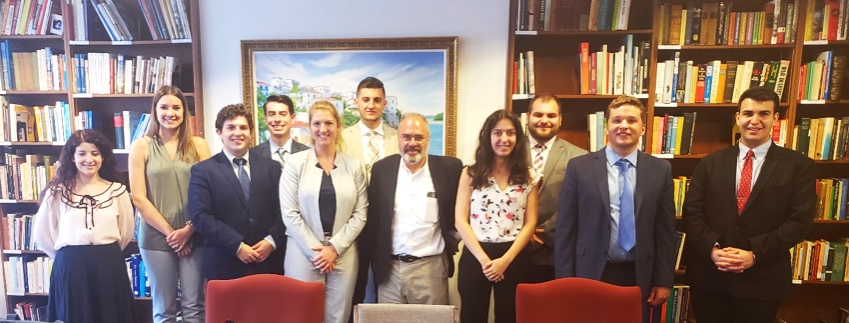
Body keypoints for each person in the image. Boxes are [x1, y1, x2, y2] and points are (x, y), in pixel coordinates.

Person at [683, 86, 816, 323]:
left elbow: (799, 222)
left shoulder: (798, 166)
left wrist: (754, 254)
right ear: (737, 117)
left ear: (776, 118)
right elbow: (692, 212)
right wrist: (713, 250)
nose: (754, 120)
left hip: (763, 280)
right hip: (710, 278)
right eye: (748, 113)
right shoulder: (709, 163)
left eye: (763, 114)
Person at [554, 95, 676, 323]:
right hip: (590, 271)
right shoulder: (579, 167)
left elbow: (665, 231)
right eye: (617, 120)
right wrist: (564, 281)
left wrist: (663, 280)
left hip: (639, 274)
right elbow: (565, 230)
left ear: (643, 128)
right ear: (606, 126)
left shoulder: (660, 169)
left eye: (631, 120)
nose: (623, 126)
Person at [32, 129, 136, 323]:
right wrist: (70, 257)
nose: (89, 159)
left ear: (103, 156)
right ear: (72, 157)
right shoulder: (57, 192)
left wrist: (103, 253)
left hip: (108, 265)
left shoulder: (118, 191)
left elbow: (126, 231)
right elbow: (43, 235)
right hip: (71, 268)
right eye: (82, 153)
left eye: (95, 153)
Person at [128, 85, 211, 323]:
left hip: (195, 234)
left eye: (176, 107)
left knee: (194, 306)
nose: (170, 113)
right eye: (164, 107)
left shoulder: (199, 145)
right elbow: (139, 198)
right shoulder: (141, 146)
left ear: (185, 112)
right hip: (156, 238)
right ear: (155, 110)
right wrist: (173, 235)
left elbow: (209, 192)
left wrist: (188, 230)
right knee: (164, 309)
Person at [280, 100, 368, 323]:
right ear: (309, 127)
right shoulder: (294, 163)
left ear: (338, 125)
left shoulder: (354, 166)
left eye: (328, 123)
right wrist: (317, 252)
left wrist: (334, 248)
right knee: (302, 314)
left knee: (338, 317)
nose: (323, 129)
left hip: (344, 253)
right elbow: (290, 213)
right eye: (316, 123)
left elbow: (360, 213)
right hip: (302, 251)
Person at [364, 113, 464, 304]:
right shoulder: (382, 170)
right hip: (390, 271)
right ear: (398, 138)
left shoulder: (449, 169)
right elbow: (374, 219)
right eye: (406, 137)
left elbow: (463, 210)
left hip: (431, 269)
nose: (412, 143)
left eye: (419, 137)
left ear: (428, 139)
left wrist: (454, 237)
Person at [455, 110, 539, 323]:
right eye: (498, 133)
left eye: (510, 133)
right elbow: (460, 220)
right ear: (488, 136)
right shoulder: (470, 173)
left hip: (513, 256)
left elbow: (531, 222)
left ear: (518, 138)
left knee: (509, 317)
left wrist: (505, 260)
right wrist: (485, 261)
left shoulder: (529, 176)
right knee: (472, 317)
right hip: (476, 255)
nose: (504, 139)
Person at [187, 104, 284, 280]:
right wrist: (237, 246)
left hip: (268, 261)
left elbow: (284, 210)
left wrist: (271, 241)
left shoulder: (272, 168)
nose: (237, 133)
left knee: (268, 308)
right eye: (230, 127)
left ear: (251, 132)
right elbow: (200, 216)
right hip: (224, 262)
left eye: (243, 127)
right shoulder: (203, 171)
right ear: (219, 132)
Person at [340, 76, 399, 308]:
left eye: (376, 100)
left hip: (389, 224)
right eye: (365, 99)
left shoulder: (398, 137)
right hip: (352, 223)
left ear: (385, 103)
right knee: (354, 286)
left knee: (386, 286)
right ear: (356, 102)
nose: (371, 105)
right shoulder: (342, 138)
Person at [523, 94, 587, 283]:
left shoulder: (579, 157)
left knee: (552, 311)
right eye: (538, 115)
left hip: (555, 253)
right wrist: (523, 234)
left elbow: (578, 204)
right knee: (513, 311)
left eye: (551, 116)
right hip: (512, 252)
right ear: (528, 117)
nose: (544, 120)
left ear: (560, 119)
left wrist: (542, 235)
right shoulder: (508, 151)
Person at [251, 94, 309, 166]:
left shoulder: (307, 153)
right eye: (272, 114)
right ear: (265, 119)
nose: (277, 119)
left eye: (282, 114)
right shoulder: (253, 155)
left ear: (292, 118)